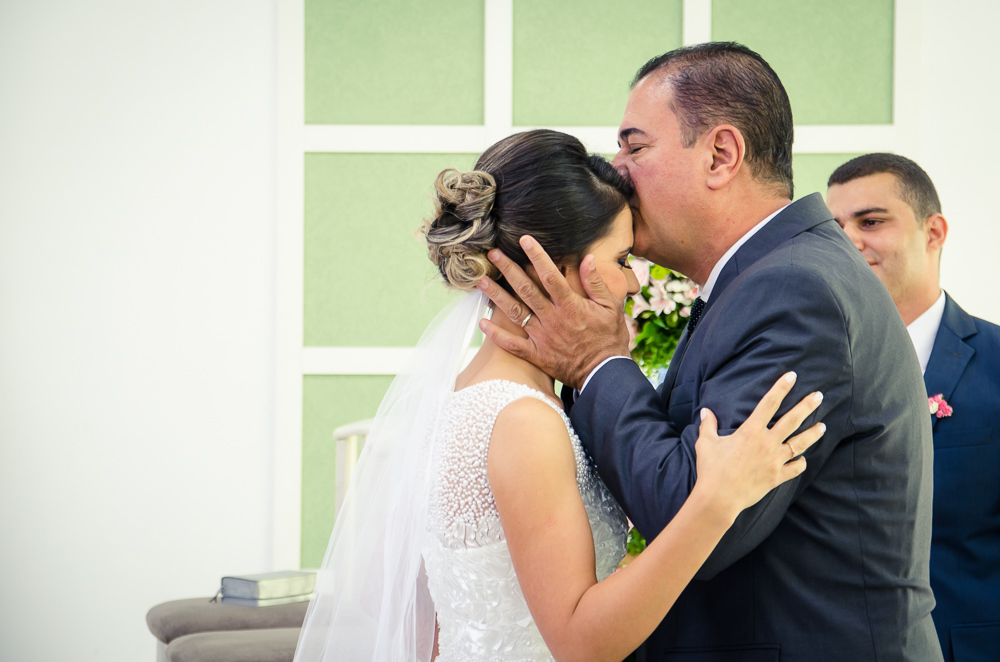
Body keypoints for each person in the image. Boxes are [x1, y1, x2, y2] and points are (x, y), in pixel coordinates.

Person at [479, 44, 942, 660]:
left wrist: (598, 365)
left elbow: (696, 517)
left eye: (634, 146)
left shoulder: (795, 290)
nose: (616, 170)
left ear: (721, 155)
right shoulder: (769, 277)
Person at [293, 129, 826, 662]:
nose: (633, 285)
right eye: (620, 261)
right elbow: (579, 642)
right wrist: (716, 501)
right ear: (555, 272)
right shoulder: (521, 421)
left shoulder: (469, 398)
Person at [826, 153, 1000, 662]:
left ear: (934, 231)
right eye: (835, 227)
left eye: (871, 221)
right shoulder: (806, 366)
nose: (850, 241)